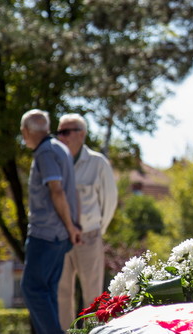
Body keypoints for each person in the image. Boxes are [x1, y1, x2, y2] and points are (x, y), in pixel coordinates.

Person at [20, 109, 82, 334]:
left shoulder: (45, 152)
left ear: (26, 131)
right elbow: (72, 191)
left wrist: (70, 226)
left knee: (32, 289)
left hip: (46, 235)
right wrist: (73, 226)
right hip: (60, 236)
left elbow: (57, 191)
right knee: (46, 291)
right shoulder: (61, 149)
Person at [56, 113, 118, 330]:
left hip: (89, 237)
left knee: (94, 296)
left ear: (81, 134)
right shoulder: (55, 162)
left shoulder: (97, 163)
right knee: (61, 294)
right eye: (58, 132)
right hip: (60, 237)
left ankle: (95, 332)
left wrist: (96, 230)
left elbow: (109, 201)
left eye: (65, 132)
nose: (60, 137)